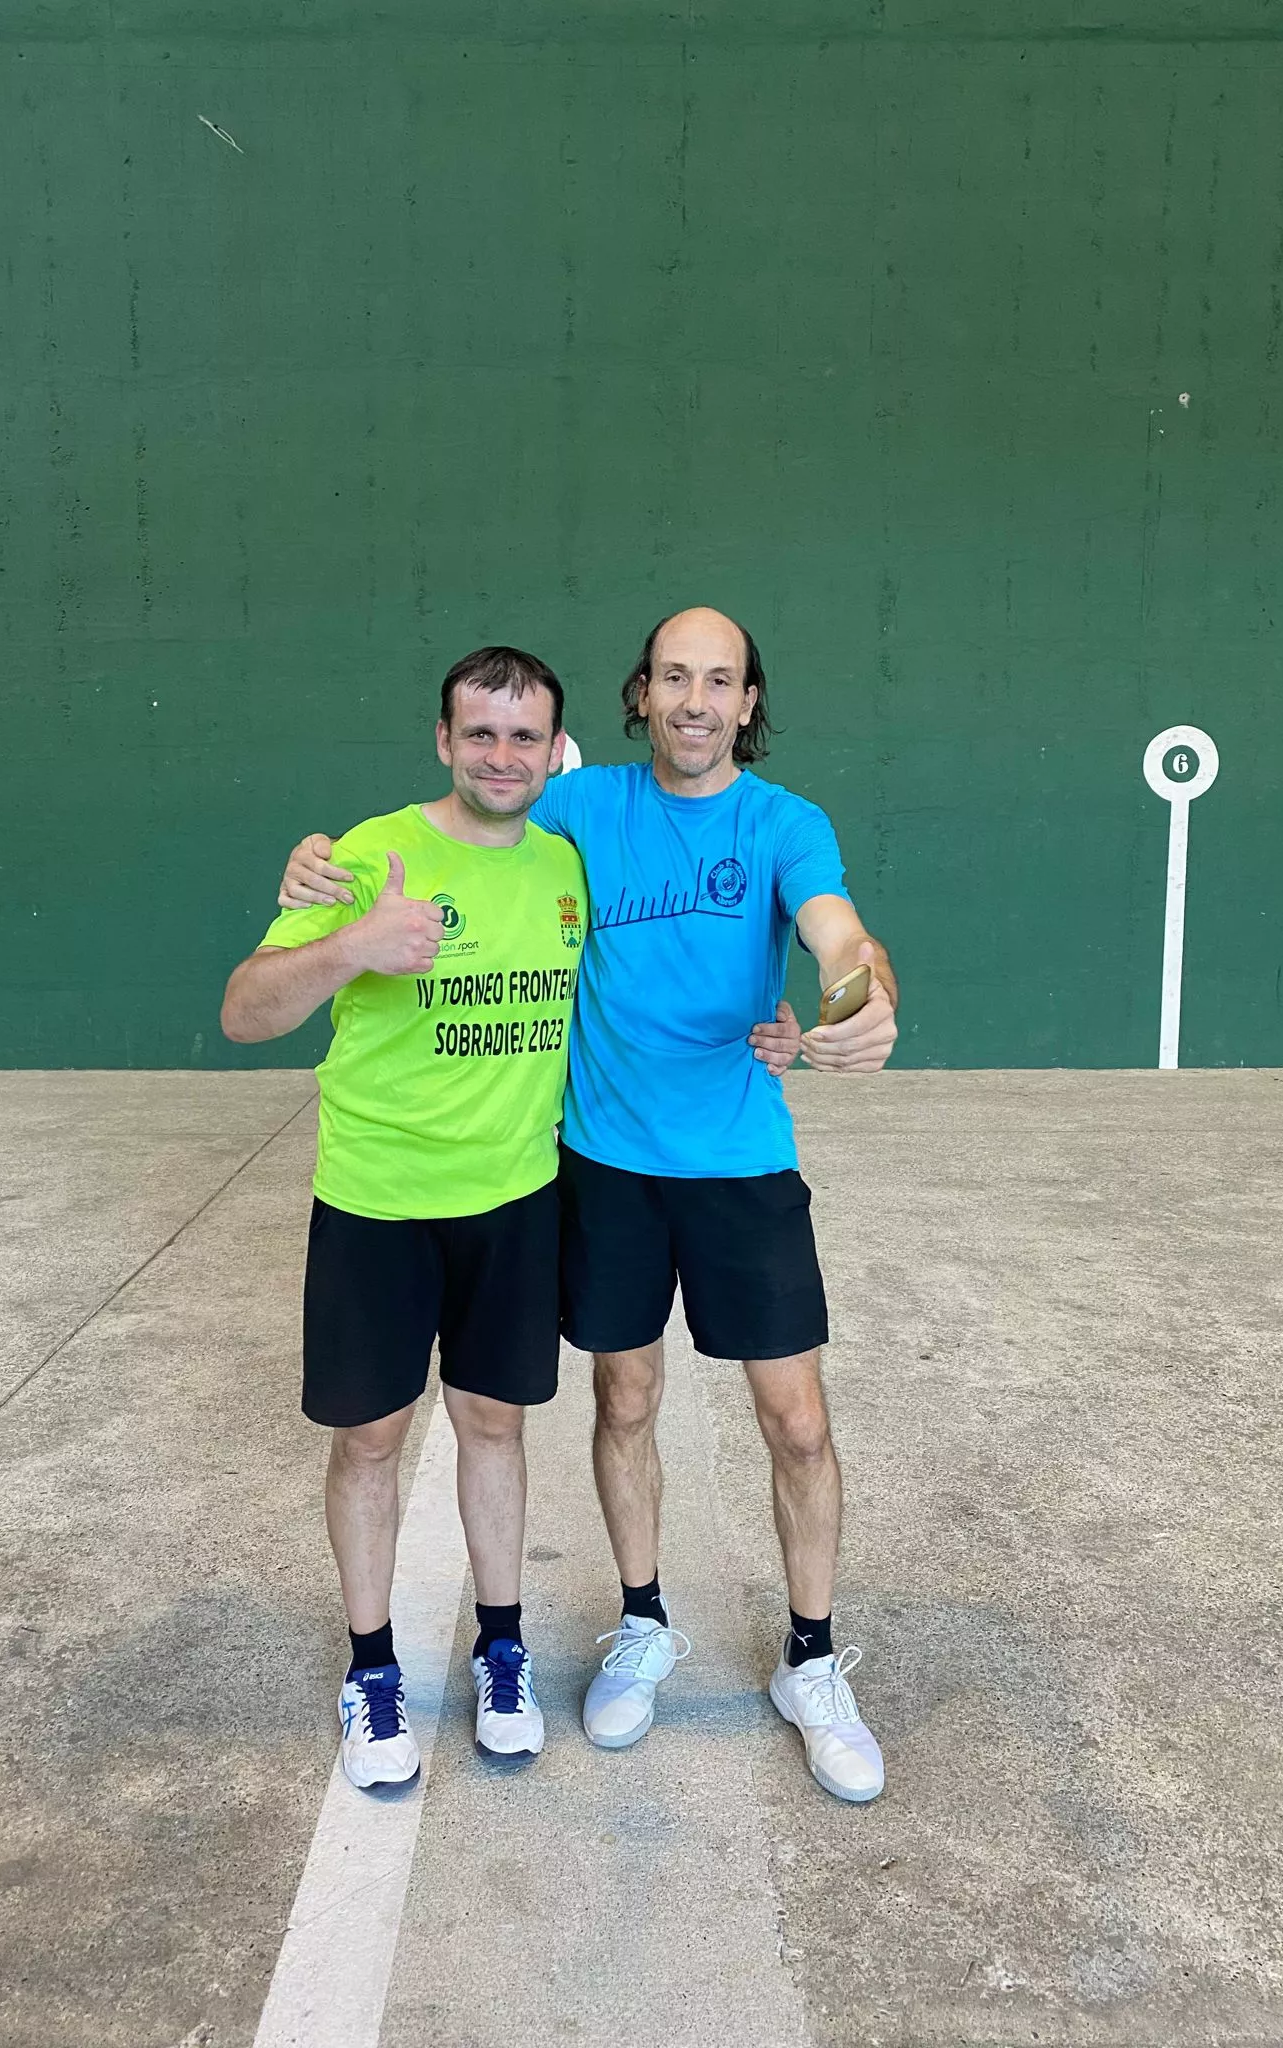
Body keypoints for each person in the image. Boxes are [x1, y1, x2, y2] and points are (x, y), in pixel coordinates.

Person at [278, 607, 899, 1803]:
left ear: (748, 702)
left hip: (741, 1163)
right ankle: (644, 1618)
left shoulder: (786, 823)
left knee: (800, 1421)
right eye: (675, 676)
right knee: (625, 1392)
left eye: (719, 680)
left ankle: (811, 1658)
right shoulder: (579, 811)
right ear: (641, 694)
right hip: (605, 1166)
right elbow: (468, 819)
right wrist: (321, 861)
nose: (696, 700)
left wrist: (861, 996)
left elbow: (842, 936)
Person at [220, 646, 587, 1791]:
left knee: (494, 1426)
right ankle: (372, 1667)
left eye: (524, 736)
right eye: (480, 733)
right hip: (377, 1203)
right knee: (370, 1438)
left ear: (554, 749)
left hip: (517, 1200)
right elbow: (244, 1012)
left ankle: (504, 1648)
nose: (502, 755)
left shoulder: (569, 862)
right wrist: (346, 949)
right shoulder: (370, 853)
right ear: (443, 739)